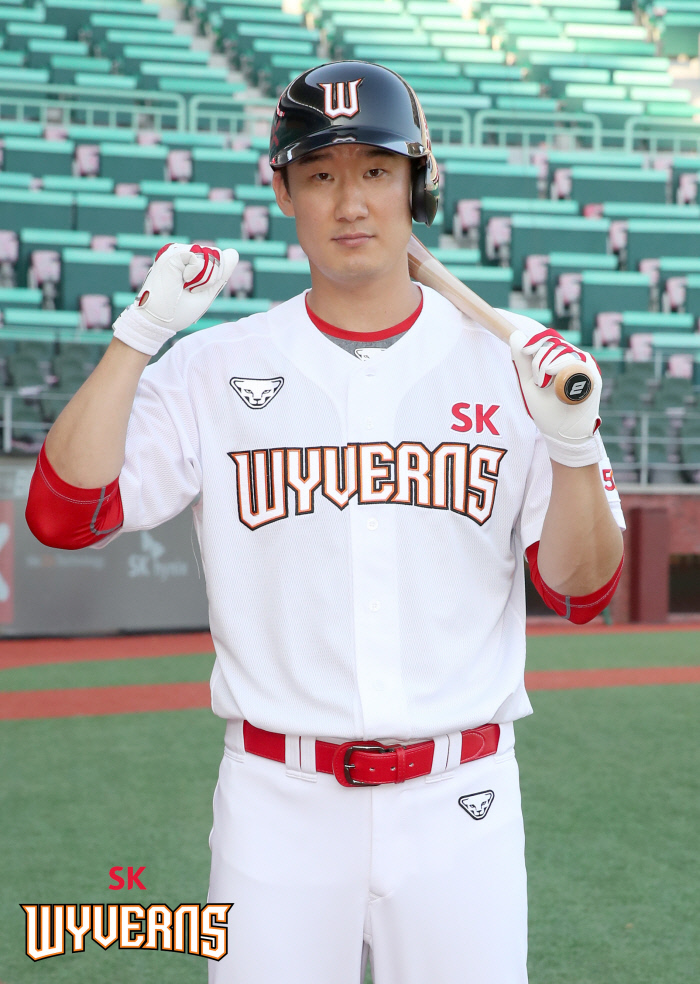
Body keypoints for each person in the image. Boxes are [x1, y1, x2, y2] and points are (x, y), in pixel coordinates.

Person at [26, 61, 624, 984]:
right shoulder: (214, 367)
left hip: (461, 801)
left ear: (417, 185)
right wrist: (138, 338)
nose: (350, 202)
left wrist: (573, 446)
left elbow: (584, 592)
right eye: (320, 174)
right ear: (285, 192)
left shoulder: (516, 369)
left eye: (376, 171)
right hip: (277, 802)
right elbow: (64, 514)